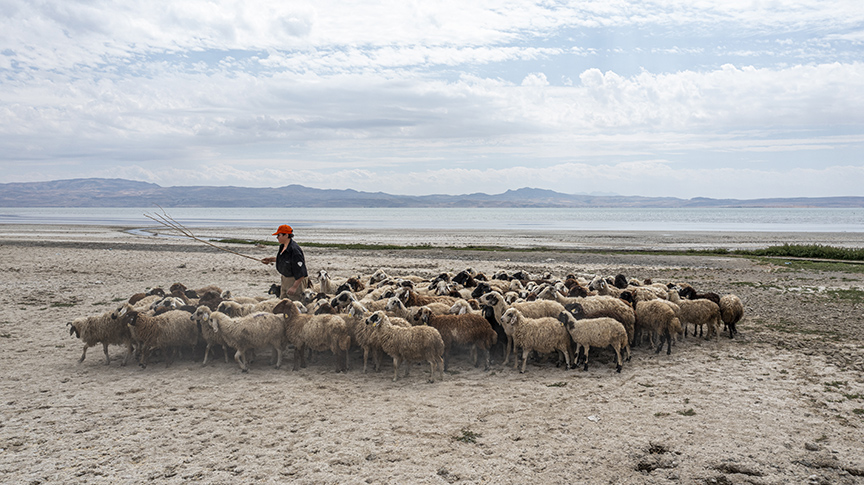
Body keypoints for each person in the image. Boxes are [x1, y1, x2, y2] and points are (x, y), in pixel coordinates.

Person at [261, 224, 308, 301]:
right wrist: (270, 260)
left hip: (294, 280)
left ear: (286, 235)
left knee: (295, 302)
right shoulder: (282, 246)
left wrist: (294, 287)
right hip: (284, 278)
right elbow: (286, 260)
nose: (277, 237)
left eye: (279, 235)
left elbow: (302, 271)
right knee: (283, 301)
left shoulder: (295, 250)